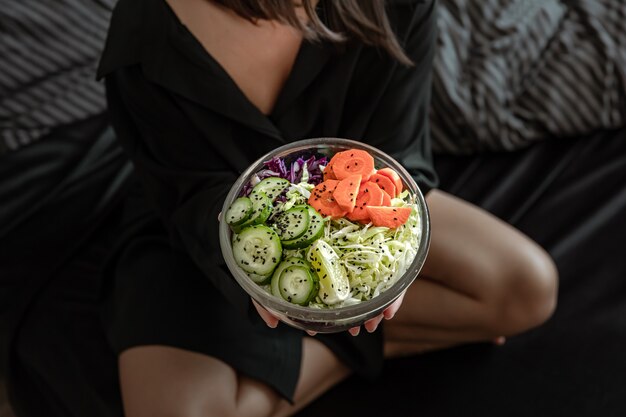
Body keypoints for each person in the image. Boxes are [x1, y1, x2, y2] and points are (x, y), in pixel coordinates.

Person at [95, 0, 558, 416]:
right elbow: (187, 193)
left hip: (361, 210)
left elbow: (401, 153)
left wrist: (376, 273)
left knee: (529, 288)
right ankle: (356, 348)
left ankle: (326, 345)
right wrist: (254, 275)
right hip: (202, 239)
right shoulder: (144, 35)